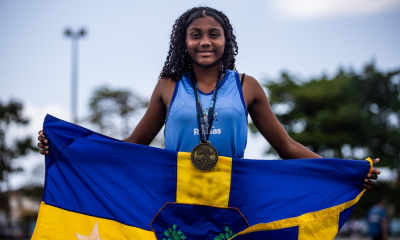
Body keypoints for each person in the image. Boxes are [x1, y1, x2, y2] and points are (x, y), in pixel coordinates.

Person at [37, 7, 379, 187]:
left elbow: (287, 148)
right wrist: (68, 149)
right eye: (196, 35)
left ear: (226, 41)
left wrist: (343, 170)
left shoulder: (247, 86)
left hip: (235, 192)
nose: (205, 42)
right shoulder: (168, 86)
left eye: (214, 35)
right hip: (173, 195)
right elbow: (131, 145)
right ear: (183, 42)